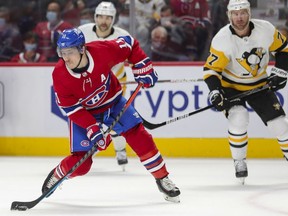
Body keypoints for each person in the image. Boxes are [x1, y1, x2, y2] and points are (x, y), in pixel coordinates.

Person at [42, 28, 181, 203]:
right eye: (62, 53)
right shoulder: (60, 74)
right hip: (85, 114)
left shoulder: (101, 50)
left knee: (140, 137)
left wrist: (142, 65)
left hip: (114, 104)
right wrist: (92, 127)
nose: (65, 58)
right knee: (82, 164)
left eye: (69, 52)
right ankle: (58, 174)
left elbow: (129, 43)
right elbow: (71, 108)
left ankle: (162, 179)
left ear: (82, 49)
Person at [203, 0, 288, 184]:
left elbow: (284, 50)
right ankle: (239, 161)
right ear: (229, 15)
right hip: (231, 87)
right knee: (239, 118)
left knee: (280, 125)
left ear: (249, 13)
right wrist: (216, 92)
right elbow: (211, 71)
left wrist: (281, 72)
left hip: (259, 85)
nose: (239, 17)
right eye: (235, 13)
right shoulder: (221, 39)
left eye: (242, 13)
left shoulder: (265, 29)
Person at [78, 1, 131, 170]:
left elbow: (135, 56)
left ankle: (120, 148)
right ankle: (87, 149)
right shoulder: (83, 32)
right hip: (91, 86)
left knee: (116, 120)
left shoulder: (122, 35)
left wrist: (142, 72)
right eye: (100, 16)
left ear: (113, 19)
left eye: (108, 17)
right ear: (95, 17)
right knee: (89, 120)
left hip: (116, 86)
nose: (104, 21)